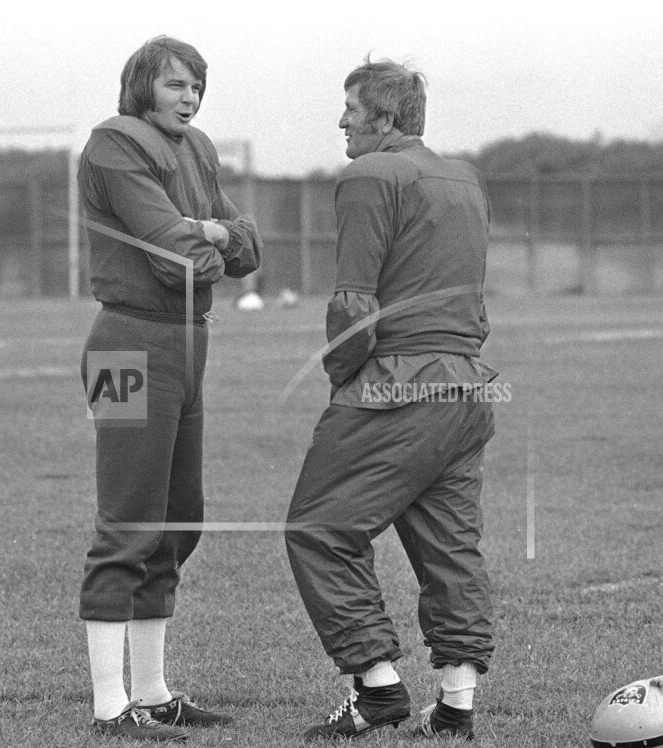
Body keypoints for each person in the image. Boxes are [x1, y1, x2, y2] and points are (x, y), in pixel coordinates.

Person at [284, 56, 497, 741]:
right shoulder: (466, 179)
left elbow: (355, 302)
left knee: (318, 529)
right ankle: (457, 704)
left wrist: (343, 377)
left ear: (384, 116)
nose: (341, 120)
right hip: (465, 387)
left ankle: (375, 688)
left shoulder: (371, 174)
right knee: (450, 548)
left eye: (351, 108)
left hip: (396, 387)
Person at [76, 36, 261, 742]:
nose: (191, 98)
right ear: (142, 85)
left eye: (197, 86)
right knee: (128, 520)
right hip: (126, 343)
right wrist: (209, 236)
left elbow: (247, 248)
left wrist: (211, 232)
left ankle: (152, 694)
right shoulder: (115, 144)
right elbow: (174, 259)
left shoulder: (197, 147)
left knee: (180, 518)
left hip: (187, 343)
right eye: (177, 84)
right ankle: (109, 703)